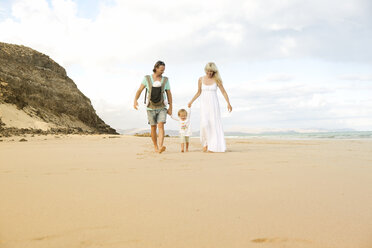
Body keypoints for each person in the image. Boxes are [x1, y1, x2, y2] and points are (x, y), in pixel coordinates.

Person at [188, 62, 232, 152]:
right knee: (204, 124)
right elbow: (199, 92)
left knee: (213, 124)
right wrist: (191, 101)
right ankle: (205, 143)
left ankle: (213, 146)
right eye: (208, 71)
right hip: (204, 105)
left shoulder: (217, 80)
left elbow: (223, 92)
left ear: (214, 71)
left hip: (214, 105)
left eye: (211, 71)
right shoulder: (200, 79)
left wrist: (228, 103)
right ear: (205, 70)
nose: (209, 73)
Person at [133, 61, 173, 153]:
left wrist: (170, 107)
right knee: (153, 127)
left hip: (162, 106)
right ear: (156, 68)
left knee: (161, 125)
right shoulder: (147, 79)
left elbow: (169, 93)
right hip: (150, 107)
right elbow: (139, 90)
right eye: (161, 70)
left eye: (164, 70)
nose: (162, 72)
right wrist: (135, 100)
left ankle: (160, 146)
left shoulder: (165, 80)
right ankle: (156, 147)